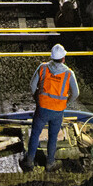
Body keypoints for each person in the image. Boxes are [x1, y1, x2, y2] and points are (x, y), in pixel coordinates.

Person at [24, 43, 80, 171]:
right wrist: (66, 103)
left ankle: (29, 162)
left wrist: (37, 100)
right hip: (58, 111)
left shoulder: (43, 67)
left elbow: (32, 87)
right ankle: (50, 163)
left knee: (35, 134)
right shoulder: (68, 73)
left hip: (42, 109)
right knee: (53, 137)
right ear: (63, 58)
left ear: (51, 57)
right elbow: (76, 93)